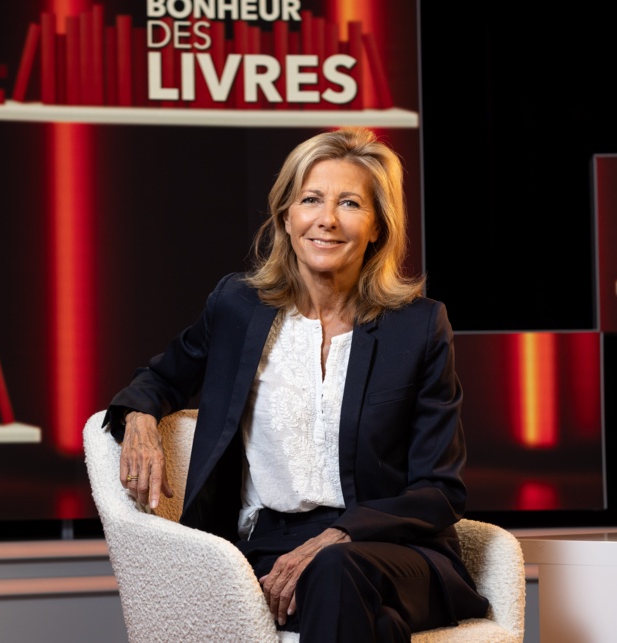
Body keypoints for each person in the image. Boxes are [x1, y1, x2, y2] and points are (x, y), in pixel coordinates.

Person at [104, 127, 489, 641]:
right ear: (287, 217)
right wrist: (140, 420)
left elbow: (439, 490)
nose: (327, 219)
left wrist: (340, 535)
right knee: (376, 624)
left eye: (350, 203)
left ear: (377, 226)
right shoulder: (238, 307)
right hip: (271, 546)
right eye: (311, 200)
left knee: (336, 569)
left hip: (394, 549)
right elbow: (160, 376)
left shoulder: (417, 327)